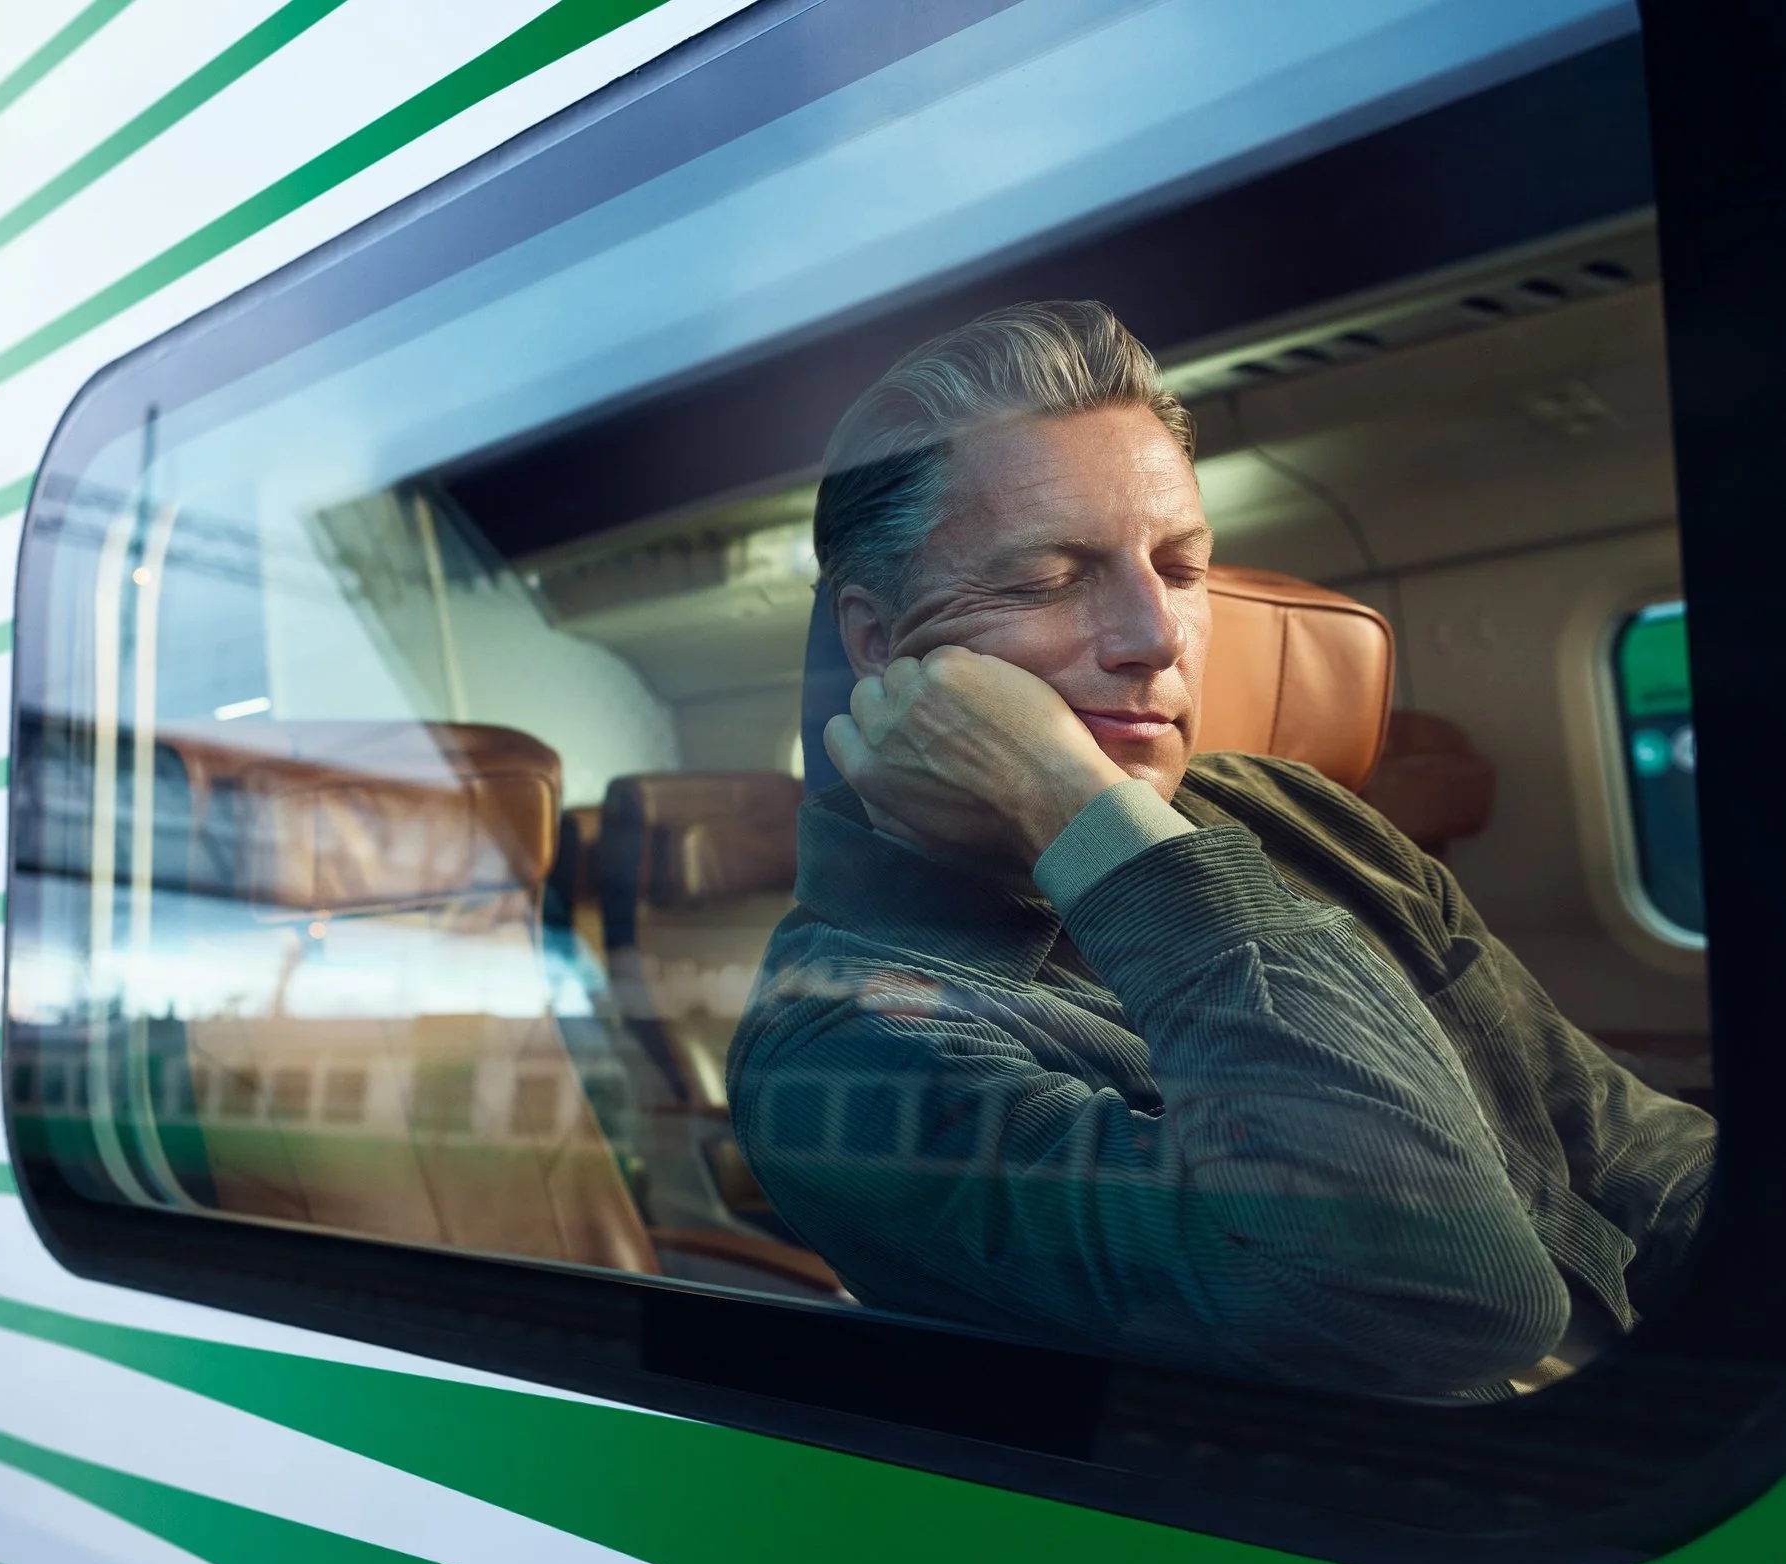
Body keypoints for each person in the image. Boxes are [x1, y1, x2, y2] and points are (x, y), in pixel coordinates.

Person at [726, 300, 1714, 1399]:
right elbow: (1441, 1296)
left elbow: (1629, 1153)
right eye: (1049, 577)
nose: (1156, 637)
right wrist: (1075, 809)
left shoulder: (1285, 808)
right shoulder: (841, 1046)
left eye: (1182, 566)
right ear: (878, 641)